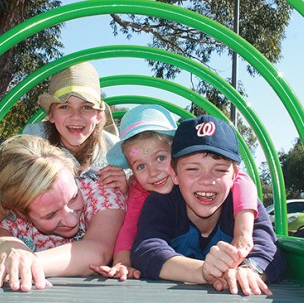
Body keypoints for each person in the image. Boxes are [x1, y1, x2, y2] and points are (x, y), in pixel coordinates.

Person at [0, 62, 128, 249]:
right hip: (46, 241)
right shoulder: (36, 138)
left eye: (87, 107)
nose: (76, 116)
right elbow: (10, 189)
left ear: (99, 116)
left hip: (100, 236)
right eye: (65, 107)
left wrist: (127, 188)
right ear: (50, 114)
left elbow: (138, 200)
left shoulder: (114, 148)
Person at [90, 105, 258, 282]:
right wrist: (122, 262)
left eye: (161, 158)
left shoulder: (199, 181)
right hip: (174, 265)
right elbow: (130, 227)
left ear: (178, 154)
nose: (153, 172)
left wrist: (243, 235)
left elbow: (242, 180)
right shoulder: (140, 191)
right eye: (140, 166)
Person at [0, 134, 126, 292]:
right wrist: (4, 244)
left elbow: (97, 252)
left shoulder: (102, 193)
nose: (70, 219)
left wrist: (14, 263)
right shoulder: (13, 219)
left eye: (73, 197)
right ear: (21, 213)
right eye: (50, 215)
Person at [130, 115, 286, 296]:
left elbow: (269, 250)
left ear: (235, 176)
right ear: (174, 174)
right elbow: (146, 249)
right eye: (192, 169)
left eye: (219, 170)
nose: (206, 181)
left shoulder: (242, 205)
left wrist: (249, 269)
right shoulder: (162, 202)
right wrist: (202, 271)